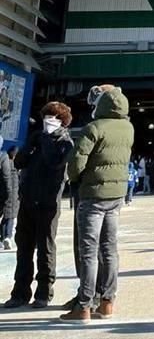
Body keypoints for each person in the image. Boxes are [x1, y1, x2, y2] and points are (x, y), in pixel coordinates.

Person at [60, 85, 134, 324]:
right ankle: (107, 303)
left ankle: (84, 306)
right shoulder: (128, 128)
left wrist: (74, 178)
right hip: (116, 196)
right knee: (110, 250)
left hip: (92, 196)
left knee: (88, 252)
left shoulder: (94, 128)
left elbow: (77, 161)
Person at [4, 101, 73, 309]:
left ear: (62, 121)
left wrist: (46, 141)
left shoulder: (65, 141)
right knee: (23, 247)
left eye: (53, 118)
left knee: (46, 248)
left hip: (48, 202)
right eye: (46, 117)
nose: (48, 121)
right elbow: (19, 162)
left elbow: (55, 164)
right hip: (28, 199)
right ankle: (20, 292)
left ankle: (44, 292)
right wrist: (31, 144)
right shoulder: (36, 137)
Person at [0, 144, 19, 250]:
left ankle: (3, 237)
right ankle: (7, 236)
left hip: (7, 182)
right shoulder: (6, 156)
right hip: (11, 181)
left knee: (6, 212)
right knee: (10, 212)